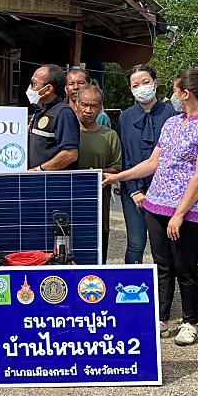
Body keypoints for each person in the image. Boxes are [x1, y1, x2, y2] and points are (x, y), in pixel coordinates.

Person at [103, 69, 198, 344]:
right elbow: (152, 163)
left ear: (186, 93)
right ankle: (161, 317)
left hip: (190, 210)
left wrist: (179, 214)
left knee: (186, 267)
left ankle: (190, 320)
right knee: (162, 265)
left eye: (175, 89)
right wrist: (118, 177)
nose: (172, 95)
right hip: (155, 204)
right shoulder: (172, 123)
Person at [116, 65, 177, 264]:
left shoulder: (172, 114)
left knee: (164, 244)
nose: (141, 88)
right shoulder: (125, 117)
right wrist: (134, 191)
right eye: (135, 85)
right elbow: (123, 154)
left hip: (165, 191)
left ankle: (163, 291)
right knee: (135, 242)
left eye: (145, 82)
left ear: (155, 84)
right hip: (133, 189)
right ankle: (129, 290)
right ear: (130, 89)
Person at [74, 85, 122, 264]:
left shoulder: (110, 136)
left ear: (101, 107)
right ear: (76, 104)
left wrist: (94, 174)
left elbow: (116, 167)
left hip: (98, 209)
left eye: (93, 106)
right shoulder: (66, 133)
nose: (88, 110)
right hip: (69, 204)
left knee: (97, 259)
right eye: (84, 104)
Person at [27, 64, 80, 172]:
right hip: (36, 182)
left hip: (52, 184)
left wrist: (40, 170)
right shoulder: (40, 110)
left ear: (48, 89)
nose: (30, 88)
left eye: (33, 84)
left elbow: (70, 154)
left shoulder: (64, 114)